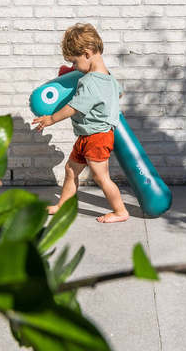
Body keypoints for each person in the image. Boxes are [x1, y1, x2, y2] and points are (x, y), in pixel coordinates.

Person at [32, 23, 129, 224]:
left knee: (101, 177)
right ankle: (62, 206)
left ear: (86, 53)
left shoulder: (90, 81)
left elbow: (75, 107)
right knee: (70, 170)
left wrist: (51, 119)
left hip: (97, 136)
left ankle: (120, 211)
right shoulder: (108, 78)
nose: (74, 68)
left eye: (75, 62)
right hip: (87, 135)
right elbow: (119, 92)